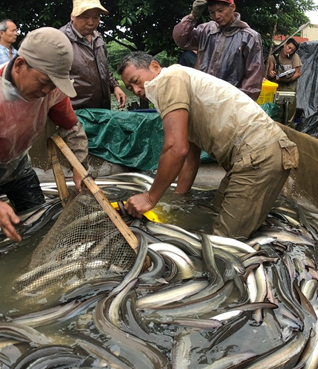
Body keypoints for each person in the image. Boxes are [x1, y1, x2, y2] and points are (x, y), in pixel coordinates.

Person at [118, 52, 298, 239]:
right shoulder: (179, 83)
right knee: (213, 212)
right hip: (251, 157)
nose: (137, 90)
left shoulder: (168, 80)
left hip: (259, 155)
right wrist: (180, 200)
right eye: (130, 87)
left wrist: (150, 197)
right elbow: (190, 157)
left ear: (155, 66)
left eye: (136, 80)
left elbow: (176, 149)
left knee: (223, 243)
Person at [0, 28, 88, 242]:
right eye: (43, 82)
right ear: (20, 64)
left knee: (41, 226)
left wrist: (79, 167)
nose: (47, 91)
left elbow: (71, 129)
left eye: (53, 84)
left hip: (18, 165)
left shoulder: (53, 90)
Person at [173, 0, 264, 100]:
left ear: (232, 7)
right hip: (201, 98)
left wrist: (238, 104)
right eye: (212, 12)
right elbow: (181, 40)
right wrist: (192, 16)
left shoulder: (249, 37)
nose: (216, 16)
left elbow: (253, 78)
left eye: (221, 10)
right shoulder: (205, 30)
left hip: (229, 103)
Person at [60, 0, 126, 110]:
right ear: (73, 16)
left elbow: (104, 68)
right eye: (85, 17)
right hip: (75, 112)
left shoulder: (98, 38)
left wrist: (115, 86)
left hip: (102, 111)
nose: (91, 22)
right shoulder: (60, 40)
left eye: (96, 17)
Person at [267, 38, 302, 127]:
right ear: (285, 45)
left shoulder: (295, 57)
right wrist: (271, 74)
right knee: (278, 116)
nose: (289, 51)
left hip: (290, 91)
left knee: (289, 119)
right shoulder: (273, 57)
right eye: (289, 47)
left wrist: (287, 79)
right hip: (278, 91)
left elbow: (297, 73)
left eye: (292, 50)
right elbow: (269, 73)